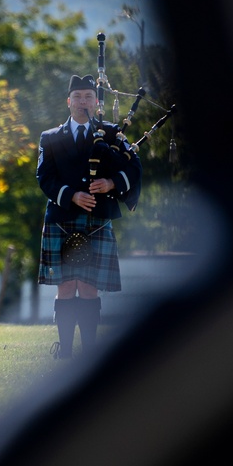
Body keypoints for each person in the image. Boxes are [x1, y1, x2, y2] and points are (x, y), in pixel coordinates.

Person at [36, 74, 142, 359]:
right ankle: (66, 351)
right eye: (78, 97)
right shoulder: (50, 137)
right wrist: (70, 194)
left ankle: (90, 353)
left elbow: (134, 168)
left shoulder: (110, 135)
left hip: (96, 219)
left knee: (89, 286)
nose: (83, 101)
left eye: (88, 97)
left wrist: (111, 183)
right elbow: (44, 177)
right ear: (68, 101)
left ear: (96, 102)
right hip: (61, 216)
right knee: (67, 285)